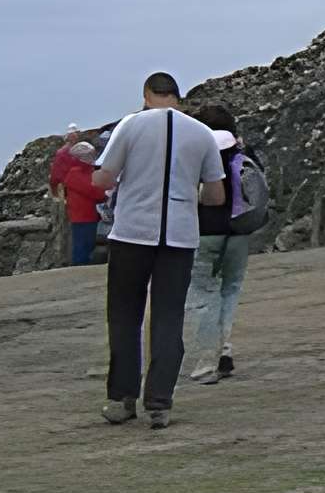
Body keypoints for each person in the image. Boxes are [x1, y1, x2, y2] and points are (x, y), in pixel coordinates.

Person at [90, 72, 225, 430]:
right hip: (179, 237)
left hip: (132, 232)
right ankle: (159, 403)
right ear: (177, 97)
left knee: (124, 316)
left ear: (147, 94)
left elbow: (103, 178)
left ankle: (122, 398)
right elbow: (216, 194)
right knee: (168, 319)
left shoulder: (131, 126)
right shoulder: (200, 133)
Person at [187, 118, 266, 384]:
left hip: (205, 233)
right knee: (230, 290)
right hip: (239, 232)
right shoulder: (243, 153)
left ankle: (208, 360)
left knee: (204, 293)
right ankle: (226, 347)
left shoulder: (196, 152)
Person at [46, 132, 107, 266]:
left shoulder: (77, 173)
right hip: (84, 217)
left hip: (83, 216)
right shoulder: (77, 175)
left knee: (84, 244)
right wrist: (104, 193)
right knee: (82, 247)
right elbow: (95, 192)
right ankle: (79, 267)